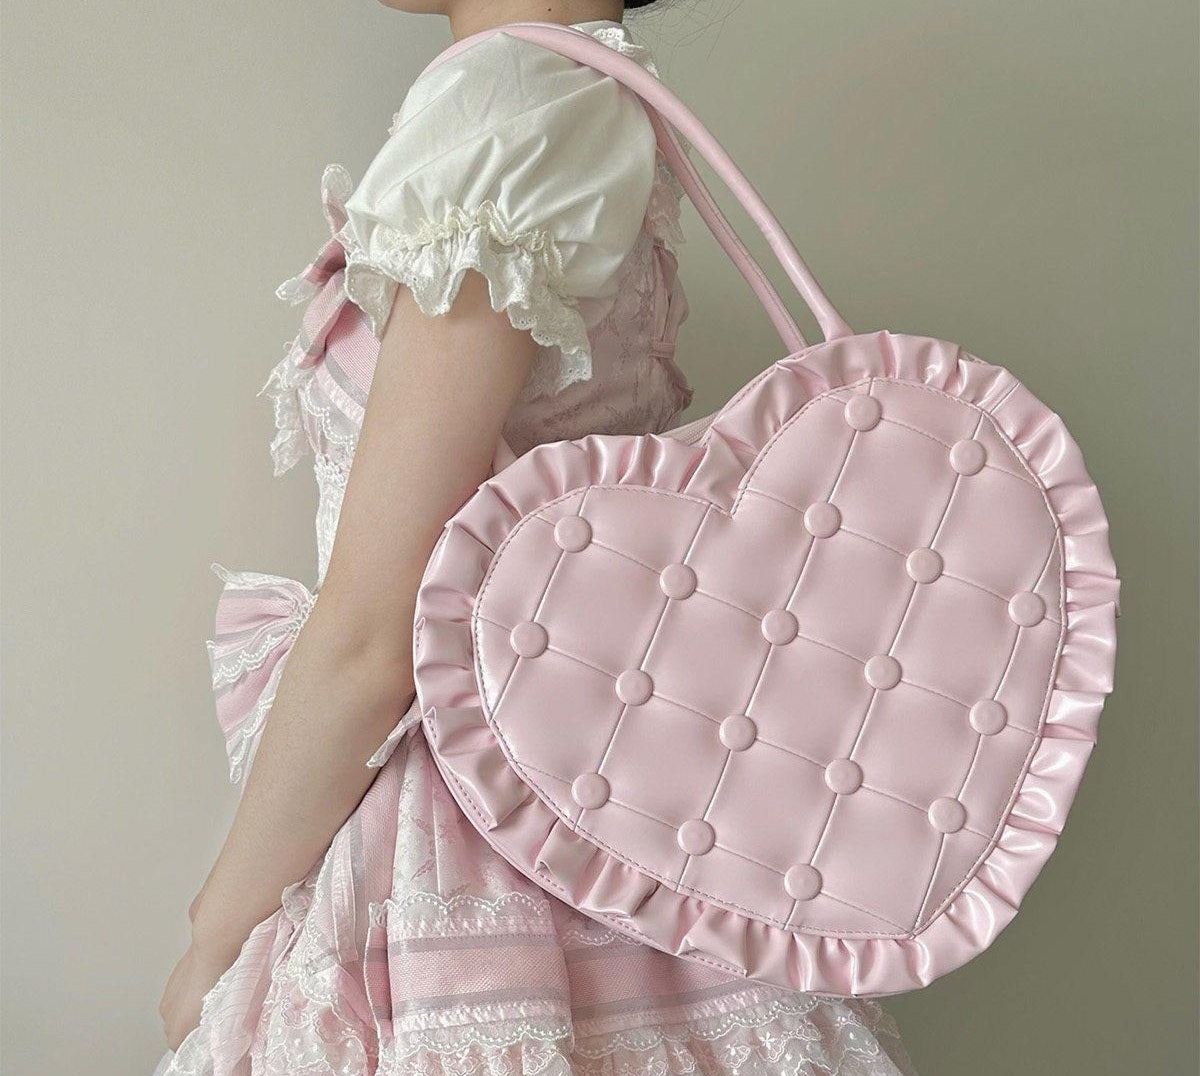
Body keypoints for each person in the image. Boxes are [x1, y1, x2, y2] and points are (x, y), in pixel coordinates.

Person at [155, 2, 920, 1073]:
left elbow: (378, 636)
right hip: (583, 824)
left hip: (472, 858)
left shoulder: (511, 111)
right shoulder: (575, 99)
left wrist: (213, 936)